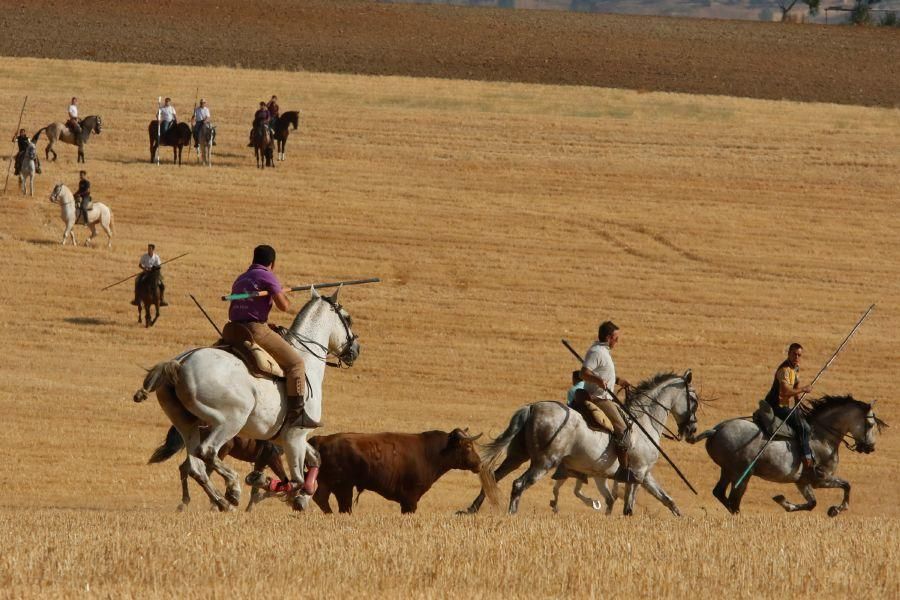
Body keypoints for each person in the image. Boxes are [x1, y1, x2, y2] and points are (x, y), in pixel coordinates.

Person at [223, 245, 314, 432]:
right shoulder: (267, 276)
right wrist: (279, 291)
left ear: (253, 259)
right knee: (296, 363)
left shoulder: (241, 278)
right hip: (254, 330)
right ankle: (296, 415)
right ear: (272, 263)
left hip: (233, 329)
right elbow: (284, 307)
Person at [580, 321, 636, 483]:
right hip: (599, 398)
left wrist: (618, 380)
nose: (617, 341)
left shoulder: (603, 351)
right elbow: (584, 373)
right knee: (624, 429)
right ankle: (623, 470)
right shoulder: (596, 352)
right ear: (608, 337)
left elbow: (602, 373)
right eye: (616, 338)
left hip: (603, 395)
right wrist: (597, 380)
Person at [765, 343, 816, 471]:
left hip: (784, 405)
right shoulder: (784, 370)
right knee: (803, 427)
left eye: (799, 355)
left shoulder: (796, 368)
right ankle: (807, 459)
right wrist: (804, 389)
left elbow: (795, 387)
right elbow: (786, 391)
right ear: (789, 353)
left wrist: (799, 403)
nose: (797, 357)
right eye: (794, 354)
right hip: (776, 406)